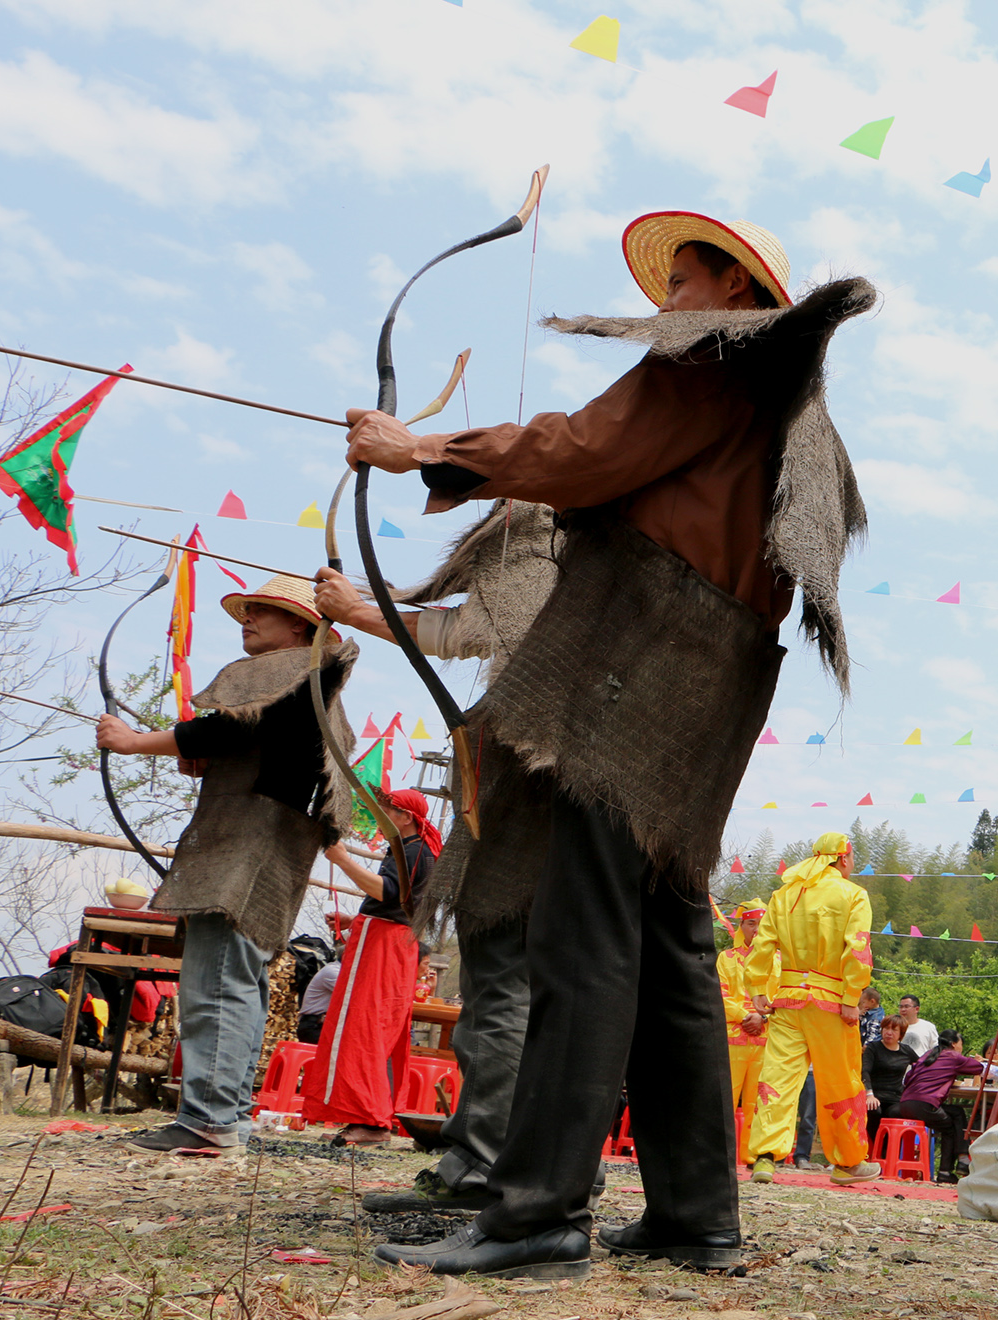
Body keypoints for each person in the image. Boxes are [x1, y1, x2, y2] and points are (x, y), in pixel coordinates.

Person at [362, 214, 873, 1279]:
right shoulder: (786, 399)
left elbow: (587, 453)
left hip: (640, 652)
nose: (663, 301)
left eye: (682, 276)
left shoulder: (714, 362)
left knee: (584, 929)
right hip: (713, 668)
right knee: (672, 946)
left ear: (734, 286)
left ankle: (537, 1215)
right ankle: (696, 1216)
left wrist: (427, 449)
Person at [321, 502, 565, 1217]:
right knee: (510, 988)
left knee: (501, 988)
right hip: (535, 804)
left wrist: (357, 610)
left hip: (524, 808)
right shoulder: (579, 559)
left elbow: (464, 630)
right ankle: (502, 1162)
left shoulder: (538, 543)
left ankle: (487, 1167)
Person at [95, 575, 359, 1154]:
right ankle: (226, 1115)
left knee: (217, 978)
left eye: (262, 611)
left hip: (248, 843)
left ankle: (208, 1121)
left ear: (299, 627)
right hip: (270, 846)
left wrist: (136, 741)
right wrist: (208, 757)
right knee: (238, 977)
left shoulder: (290, 674)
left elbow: (230, 726)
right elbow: (255, 744)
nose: (247, 618)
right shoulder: (310, 690)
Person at [305, 788, 443, 1145]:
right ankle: (368, 1113)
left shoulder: (414, 850)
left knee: (364, 1027)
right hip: (389, 939)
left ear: (405, 816)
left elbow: (390, 893)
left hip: (385, 945)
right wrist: (357, 919)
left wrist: (343, 861)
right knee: (371, 1027)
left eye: (386, 809)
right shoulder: (412, 849)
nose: (381, 814)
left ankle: (368, 1116)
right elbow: (400, 902)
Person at [745, 832, 881, 1186]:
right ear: (844, 859)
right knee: (839, 1081)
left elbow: (763, 943)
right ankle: (847, 1163)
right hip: (831, 1002)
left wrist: (758, 986)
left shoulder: (785, 894)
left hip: (788, 998)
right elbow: (858, 949)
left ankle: (764, 1157)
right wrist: (852, 998)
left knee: (777, 1077)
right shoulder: (853, 895)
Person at [897, 1029, 985, 1183]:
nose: (961, 1048)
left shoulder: (927, 1055)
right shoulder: (953, 1056)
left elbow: (908, 1077)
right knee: (951, 1126)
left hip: (905, 1104)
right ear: (953, 1044)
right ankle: (955, 1165)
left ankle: (958, 1162)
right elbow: (979, 1068)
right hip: (924, 1104)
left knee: (955, 1113)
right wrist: (981, 1061)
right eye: (960, 1044)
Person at [718, 905, 771, 1154]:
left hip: (767, 1039)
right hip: (732, 1039)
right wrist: (745, 1016)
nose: (757, 929)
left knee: (760, 1100)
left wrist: (763, 1018)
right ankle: (719, 1152)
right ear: (742, 926)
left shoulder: (779, 961)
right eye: (751, 923)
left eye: (761, 924)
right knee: (724, 1097)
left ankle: (754, 1154)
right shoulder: (726, 958)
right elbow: (719, 994)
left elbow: (784, 997)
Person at [862, 1014, 920, 1141]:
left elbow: (921, 1067)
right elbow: (864, 1071)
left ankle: (889, 1152)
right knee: (874, 1111)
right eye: (886, 1028)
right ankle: (877, 1147)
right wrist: (869, 1094)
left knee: (895, 1113)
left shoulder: (906, 1050)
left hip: (895, 1097)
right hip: (874, 1095)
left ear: (901, 1034)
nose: (889, 1032)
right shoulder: (873, 1048)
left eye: (894, 1030)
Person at [297, 950, 341, 1045]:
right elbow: (354, 995)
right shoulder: (333, 971)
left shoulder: (340, 971)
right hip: (314, 1026)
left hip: (321, 1025)